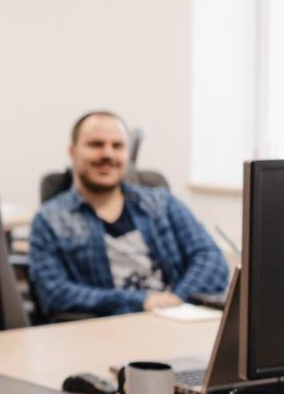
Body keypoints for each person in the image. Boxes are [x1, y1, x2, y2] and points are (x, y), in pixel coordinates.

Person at [29, 110, 229, 318]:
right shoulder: (49, 219)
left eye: (117, 146)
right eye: (96, 144)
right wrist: (142, 302)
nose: (108, 154)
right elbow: (54, 293)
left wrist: (177, 300)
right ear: (72, 152)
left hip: (178, 321)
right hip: (108, 329)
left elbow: (211, 259)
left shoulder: (162, 203)